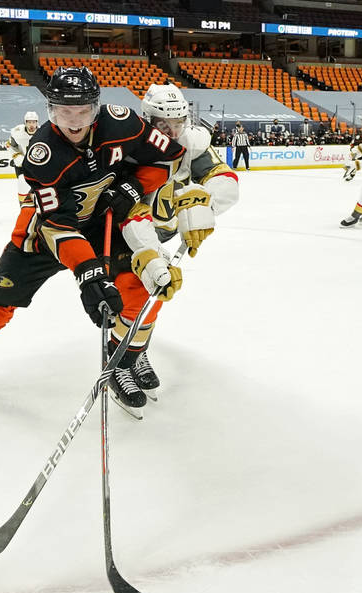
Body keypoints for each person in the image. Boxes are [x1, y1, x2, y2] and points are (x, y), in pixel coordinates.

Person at [0, 67, 185, 400]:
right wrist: (89, 274)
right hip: (45, 234)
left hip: (103, 222)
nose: (73, 122)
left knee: (139, 287)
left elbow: (168, 157)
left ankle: (121, 365)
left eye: (82, 111)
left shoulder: (123, 123)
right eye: (63, 111)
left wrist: (133, 187)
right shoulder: (42, 154)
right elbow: (57, 223)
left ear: (96, 107)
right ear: (50, 110)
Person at [103, 83, 240, 414]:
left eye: (179, 122)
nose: (174, 131)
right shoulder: (131, 147)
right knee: (136, 296)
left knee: (156, 296)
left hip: (160, 233)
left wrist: (204, 204)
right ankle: (119, 364)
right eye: (165, 125)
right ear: (148, 120)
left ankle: (135, 352)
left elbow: (226, 182)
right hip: (127, 232)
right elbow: (128, 208)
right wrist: (149, 252)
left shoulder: (192, 145)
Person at [4, 110, 40, 202]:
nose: (31, 125)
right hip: (21, 165)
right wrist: (17, 155)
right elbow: (9, 145)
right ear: (25, 122)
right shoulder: (17, 132)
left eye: (33, 122)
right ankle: (24, 206)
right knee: (22, 183)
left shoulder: (42, 134)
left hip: (37, 165)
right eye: (29, 122)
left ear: (37, 122)